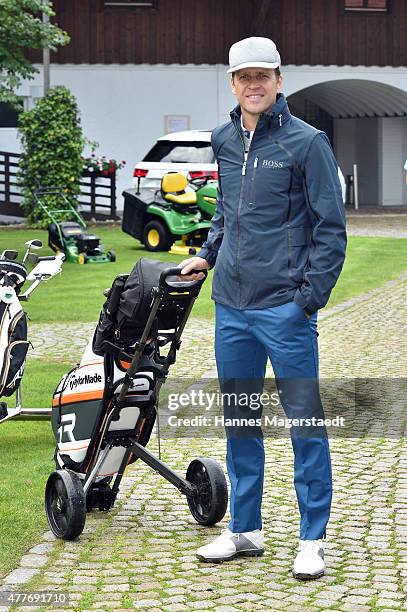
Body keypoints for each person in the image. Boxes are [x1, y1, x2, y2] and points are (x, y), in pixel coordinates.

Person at [179, 36, 347, 580]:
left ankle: (311, 538)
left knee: (304, 424)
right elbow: (226, 214)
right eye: (244, 76)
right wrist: (206, 257)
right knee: (241, 421)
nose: (254, 84)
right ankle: (245, 530)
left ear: (279, 80)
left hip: (285, 310)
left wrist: (307, 301)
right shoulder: (224, 139)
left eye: (263, 75)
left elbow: (331, 230)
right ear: (232, 83)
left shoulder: (308, 143)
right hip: (231, 306)